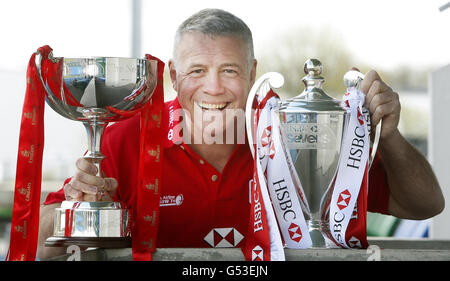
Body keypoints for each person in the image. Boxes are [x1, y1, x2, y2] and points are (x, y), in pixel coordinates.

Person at [37, 8, 444, 259]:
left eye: (229, 71)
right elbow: (37, 244)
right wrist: (78, 209)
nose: (214, 88)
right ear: (174, 77)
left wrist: (388, 136)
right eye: (197, 71)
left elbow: (425, 205)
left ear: (253, 73)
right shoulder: (124, 137)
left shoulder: (295, 130)